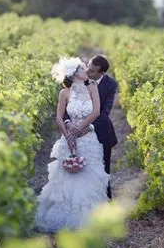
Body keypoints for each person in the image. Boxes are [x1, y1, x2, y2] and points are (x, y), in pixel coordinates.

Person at [34, 56, 110, 233]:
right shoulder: (64, 93)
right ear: (74, 74)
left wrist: (80, 129)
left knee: (88, 175)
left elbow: (96, 112)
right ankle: (65, 218)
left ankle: (90, 219)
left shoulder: (92, 88)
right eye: (83, 69)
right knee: (65, 177)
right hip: (68, 138)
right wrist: (68, 135)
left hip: (88, 137)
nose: (87, 71)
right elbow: (59, 117)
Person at [64, 55, 118, 200]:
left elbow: (104, 113)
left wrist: (88, 127)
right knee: (77, 170)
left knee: (102, 171)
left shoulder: (110, 85)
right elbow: (65, 108)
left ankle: (106, 204)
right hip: (75, 132)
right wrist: (69, 124)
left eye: (93, 71)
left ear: (102, 73)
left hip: (100, 132)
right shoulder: (78, 79)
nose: (88, 71)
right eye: (87, 66)